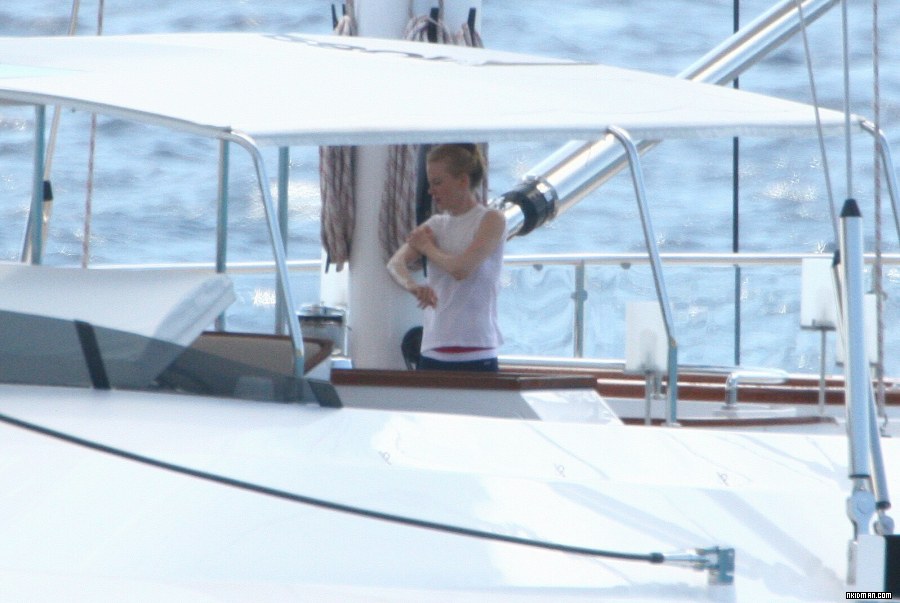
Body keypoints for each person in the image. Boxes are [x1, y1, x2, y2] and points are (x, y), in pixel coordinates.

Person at [387, 143, 505, 372]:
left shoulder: (491, 220)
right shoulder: (436, 224)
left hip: (478, 349)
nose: (431, 191)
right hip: (434, 348)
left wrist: (427, 248)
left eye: (438, 183)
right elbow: (395, 263)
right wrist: (413, 286)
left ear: (463, 181)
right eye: (430, 183)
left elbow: (462, 269)